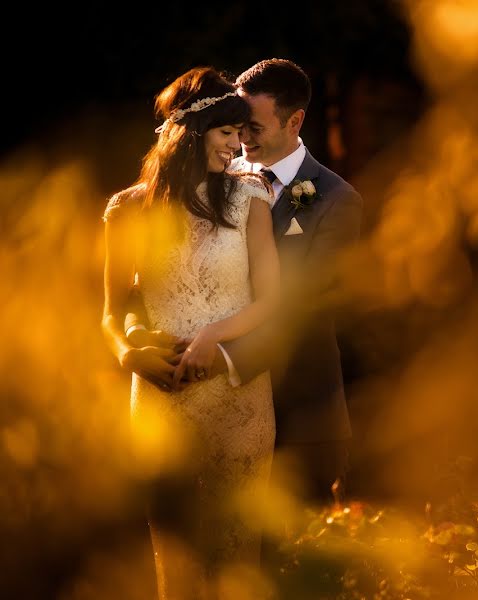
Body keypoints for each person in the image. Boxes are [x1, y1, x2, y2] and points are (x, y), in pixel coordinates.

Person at [128, 58, 364, 508]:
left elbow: (300, 307)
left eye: (253, 128)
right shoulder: (210, 184)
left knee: (295, 565)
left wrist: (219, 358)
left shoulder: (336, 201)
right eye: (233, 127)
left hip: (299, 418)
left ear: (295, 121)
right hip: (209, 414)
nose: (240, 140)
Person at [102, 67, 280, 598]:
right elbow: (112, 313)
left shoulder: (252, 197)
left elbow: (270, 299)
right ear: (189, 134)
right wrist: (128, 355)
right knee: (174, 563)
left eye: (240, 133)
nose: (237, 145)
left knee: (236, 558)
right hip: (162, 399)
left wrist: (213, 339)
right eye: (226, 133)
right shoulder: (128, 210)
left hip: (239, 400)